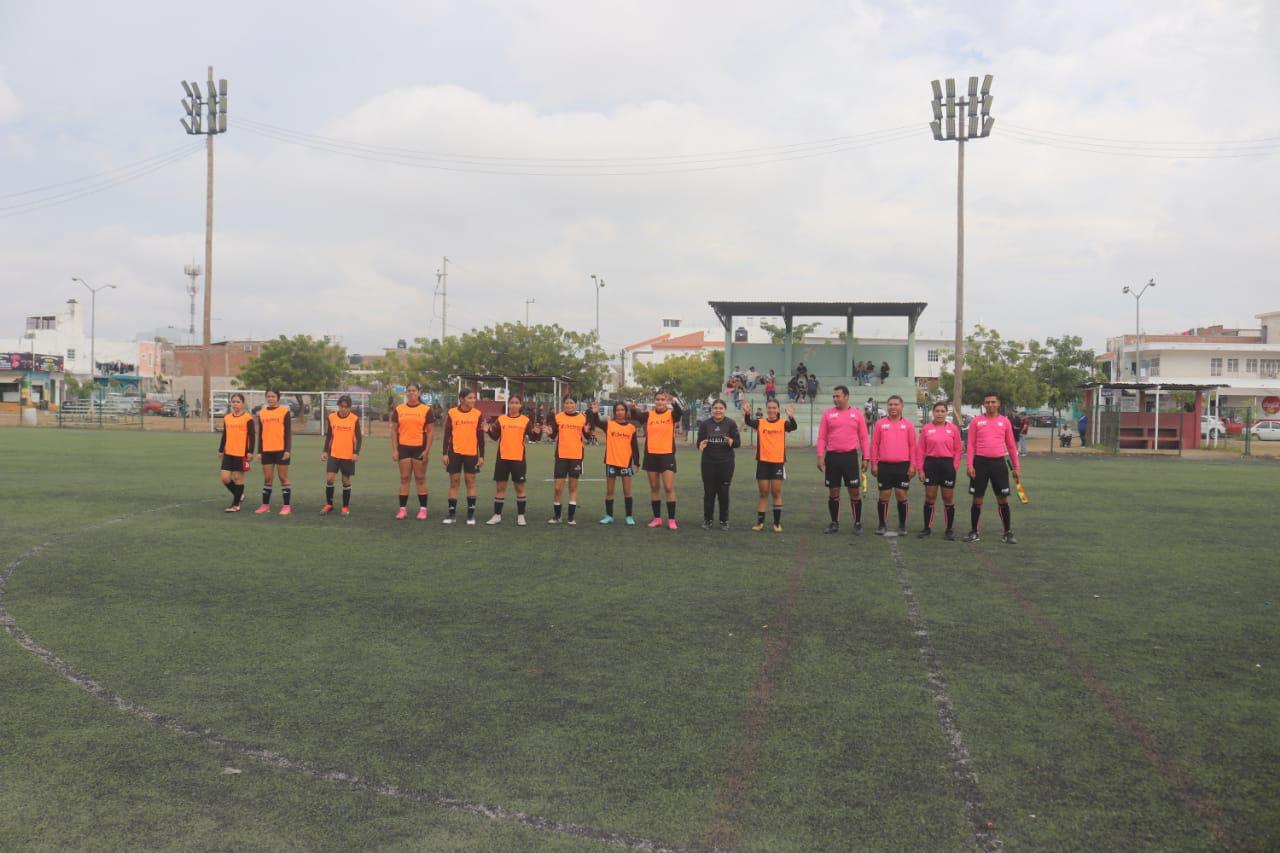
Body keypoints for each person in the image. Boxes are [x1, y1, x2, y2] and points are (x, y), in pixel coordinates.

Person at [965, 391, 1022, 544]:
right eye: (987, 402)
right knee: (977, 500)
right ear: (984, 404)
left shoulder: (1005, 422)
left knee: (1002, 500)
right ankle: (974, 532)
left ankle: (1007, 532)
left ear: (998, 404)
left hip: (999, 464)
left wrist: (1016, 467)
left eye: (993, 402)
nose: (990, 405)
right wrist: (969, 464)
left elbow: (1011, 446)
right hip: (980, 464)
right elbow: (970, 445)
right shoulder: (976, 421)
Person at [816, 384, 870, 535]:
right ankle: (834, 523)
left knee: (854, 491)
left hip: (850, 457)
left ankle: (857, 523)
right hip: (832, 457)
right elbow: (821, 437)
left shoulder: (857, 414)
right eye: (833, 396)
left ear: (846, 397)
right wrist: (820, 456)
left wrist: (866, 457)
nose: (835, 399)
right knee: (833, 491)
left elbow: (864, 437)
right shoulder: (828, 414)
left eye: (837, 396)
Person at [629, 391, 684, 529]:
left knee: (668, 487)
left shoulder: (672, 414)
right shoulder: (649, 414)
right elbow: (637, 416)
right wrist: (633, 408)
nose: (660, 402)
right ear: (654, 401)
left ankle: (671, 519)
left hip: (667, 455)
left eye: (662, 400)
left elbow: (679, 412)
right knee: (654, 487)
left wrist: (674, 403)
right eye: (657, 399)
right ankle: (657, 518)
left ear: (666, 401)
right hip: (651, 455)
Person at [485, 394, 540, 526]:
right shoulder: (501, 419)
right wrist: (488, 431)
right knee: (500, 487)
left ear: (520, 405)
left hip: (518, 459)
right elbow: (494, 436)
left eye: (517, 402)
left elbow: (532, 437)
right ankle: (497, 515)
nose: (514, 405)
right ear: (508, 404)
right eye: (512, 402)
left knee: (519, 487)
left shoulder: (525, 420)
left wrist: (537, 433)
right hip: (502, 458)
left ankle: (521, 516)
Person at [743, 399, 797, 532]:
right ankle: (760, 523)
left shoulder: (783, 423)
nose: (771, 410)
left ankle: (777, 523)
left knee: (776, 492)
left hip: (778, 462)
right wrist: (747, 414)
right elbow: (748, 422)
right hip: (763, 462)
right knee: (763, 493)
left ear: (778, 409)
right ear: (766, 409)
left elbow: (793, 427)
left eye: (774, 408)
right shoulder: (761, 422)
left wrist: (791, 416)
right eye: (769, 408)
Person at [868, 394, 917, 535]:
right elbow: (875, 445)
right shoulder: (880, 424)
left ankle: (902, 525)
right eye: (890, 404)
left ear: (902, 407)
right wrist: (874, 464)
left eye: (896, 404)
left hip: (903, 466)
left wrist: (913, 465)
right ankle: (882, 524)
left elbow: (913, 447)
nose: (893, 407)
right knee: (884, 495)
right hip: (884, 466)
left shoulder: (908, 425)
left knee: (901, 495)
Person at [588, 400, 640, 525]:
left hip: (625, 463)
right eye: (617, 410)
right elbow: (597, 422)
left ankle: (629, 516)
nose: (620, 412)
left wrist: (636, 463)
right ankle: (609, 515)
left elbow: (635, 447)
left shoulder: (631, 428)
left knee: (627, 491)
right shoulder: (609, 425)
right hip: (611, 461)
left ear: (626, 412)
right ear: (614, 412)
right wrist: (594, 413)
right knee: (610, 491)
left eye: (622, 410)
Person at [915, 401, 962, 539]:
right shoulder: (926, 429)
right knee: (930, 497)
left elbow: (958, 449)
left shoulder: (953, 429)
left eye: (942, 411)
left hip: (947, 465)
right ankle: (927, 528)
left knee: (947, 498)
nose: (940, 414)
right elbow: (920, 450)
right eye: (937, 411)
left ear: (946, 413)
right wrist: (920, 469)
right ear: (933, 413)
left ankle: (949, 529)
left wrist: (954, 466)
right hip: (931, 464)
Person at [391, 382, 436, 520]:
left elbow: (430, 432)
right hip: (403, 448)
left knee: (420, 479)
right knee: (404, 479)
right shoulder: (399, 409)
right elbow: (393, 430)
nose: (411, 393)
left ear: (419, 392)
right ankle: (402, 510)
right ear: (406, 393)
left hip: (419, 448)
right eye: (409, 390)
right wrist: (395, 450)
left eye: (414, 390)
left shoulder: (426, 409)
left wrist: (427, 451)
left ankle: (423, 510)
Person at [441, 388, 486, 525]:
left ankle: (471, 515)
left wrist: (481, 456)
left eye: (474, 398)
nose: (473, 400)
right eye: (470, 398)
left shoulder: (477, 414)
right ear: (461, 399)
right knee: (454, 482)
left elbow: (480, 437)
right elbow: (447, 434)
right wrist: (444, 453)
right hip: (454, 453)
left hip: (471, 454)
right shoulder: (452, 413)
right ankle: (452, 514)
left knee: (470, 482)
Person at [544, 395, 588, 525]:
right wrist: (549, 432)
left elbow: (587, 435)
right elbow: (553, 435)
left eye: (571, 403)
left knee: (573, 487)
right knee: (558, 488)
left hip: (576, 456)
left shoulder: (582, 418)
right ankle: (557, 516)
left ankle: (570, 517)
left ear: (575, 404)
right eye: (567, 403)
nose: (569, 405)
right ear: (564, 404)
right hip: (561, 456)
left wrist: (587, 432)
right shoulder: (558, 417)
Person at [697, 399, 740, 529]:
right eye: (715, 408)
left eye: (720, 408)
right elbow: (699, 442)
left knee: (723, 492)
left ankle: (724, 520)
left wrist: (731, 441)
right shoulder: (705, 424)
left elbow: (737, 443)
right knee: (709, 492)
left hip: (726, 463)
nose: (718, 410)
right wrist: (700, 445)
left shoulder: (731, 424)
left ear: (724, 410)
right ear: (712, 410)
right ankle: (708, 520)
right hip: (708, 462)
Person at [320, 394, 362, 516]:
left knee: (345, 481)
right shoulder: (331, 417)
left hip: (348, 455)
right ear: (338, 406)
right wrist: (324, 451)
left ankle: (345, 507)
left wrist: (356, 452)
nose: (343, 409)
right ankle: (329, 504)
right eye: (341, 406)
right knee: (330, 479)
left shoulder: (354, 419)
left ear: (350, 407)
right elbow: (329, 436)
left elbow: (359, 438)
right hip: (334, 454)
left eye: (346, 407)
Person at [255, 388, 294, 516]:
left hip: (281, 450)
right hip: (266, 450)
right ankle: (265, 505)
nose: (270, 398)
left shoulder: (284, 411)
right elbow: (260, 433)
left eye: (273, 396)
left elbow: (288, 432)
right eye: (268, 396)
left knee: (283, 478)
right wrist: (259, 451)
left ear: (278, 397)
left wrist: (288, 450)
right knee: (267, 478)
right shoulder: (262, 413)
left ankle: (286, 506)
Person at [217, 392, 254, 512]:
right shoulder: (227, 417)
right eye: (233, 402)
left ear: (243, 403)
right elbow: (225, 435)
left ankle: (236, 505)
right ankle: (240, 495)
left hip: (241, 453)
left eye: (238, 401)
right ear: (230, 403)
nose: (235, 404)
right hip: (228, 452)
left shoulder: (248, 418)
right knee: (225, 478)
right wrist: (221, 450)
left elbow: (251, 436)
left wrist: (250, 451)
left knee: (238, 478)